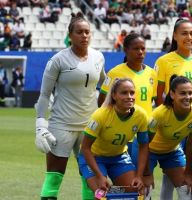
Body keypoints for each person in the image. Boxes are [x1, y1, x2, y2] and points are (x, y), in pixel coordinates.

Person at [35, 15, 105, 200]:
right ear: (70, 35)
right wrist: (40, 124)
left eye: (87, 32)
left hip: (89, 126)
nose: (84, 36)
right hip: (61, 125)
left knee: (90, 179)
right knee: (54, 177)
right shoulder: (58, 60)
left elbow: (106, 84)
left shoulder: (98, 57)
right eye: (79, 32)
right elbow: (44, 95)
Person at [97, 33, 156, 198]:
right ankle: (106, 195)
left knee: (141, 181)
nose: (140, 52)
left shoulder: (152, 73)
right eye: (136, 49)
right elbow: (102, 102)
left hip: (143, 135)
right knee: (126, 185)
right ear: (126, 50)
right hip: (123, 135)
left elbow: (154, 102)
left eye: (143, 49)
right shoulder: (115, 73)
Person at [154, 18, 192, 199]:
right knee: (172, 172)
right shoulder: (164, 61)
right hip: (173, 126)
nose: (189, 37)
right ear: (175, 36)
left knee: (188, 175)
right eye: (184, 33)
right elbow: (158, 95)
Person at [79, 78, 149, 197]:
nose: (129, 96)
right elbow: (85, 148)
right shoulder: (101, 115)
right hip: (94, 158)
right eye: (124, 93)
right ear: (114, 95)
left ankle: (112, 191)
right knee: (101, 194)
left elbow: (143, 146)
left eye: (132, 93)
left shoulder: (141, 115)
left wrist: (139, 176)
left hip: (118, 158)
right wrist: (99, 176)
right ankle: (106, 190)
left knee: (135, 191)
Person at [148, 75, 192, 200]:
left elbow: (191, 144)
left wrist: (188, 172)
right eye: (183, 93)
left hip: (172, 152)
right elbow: (144, 144)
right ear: (172, 94)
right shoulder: (159, 114)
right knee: (144, 189)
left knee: (187, 188)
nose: (187, 97)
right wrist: (146, 173)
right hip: (149, 151)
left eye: (190, 93)